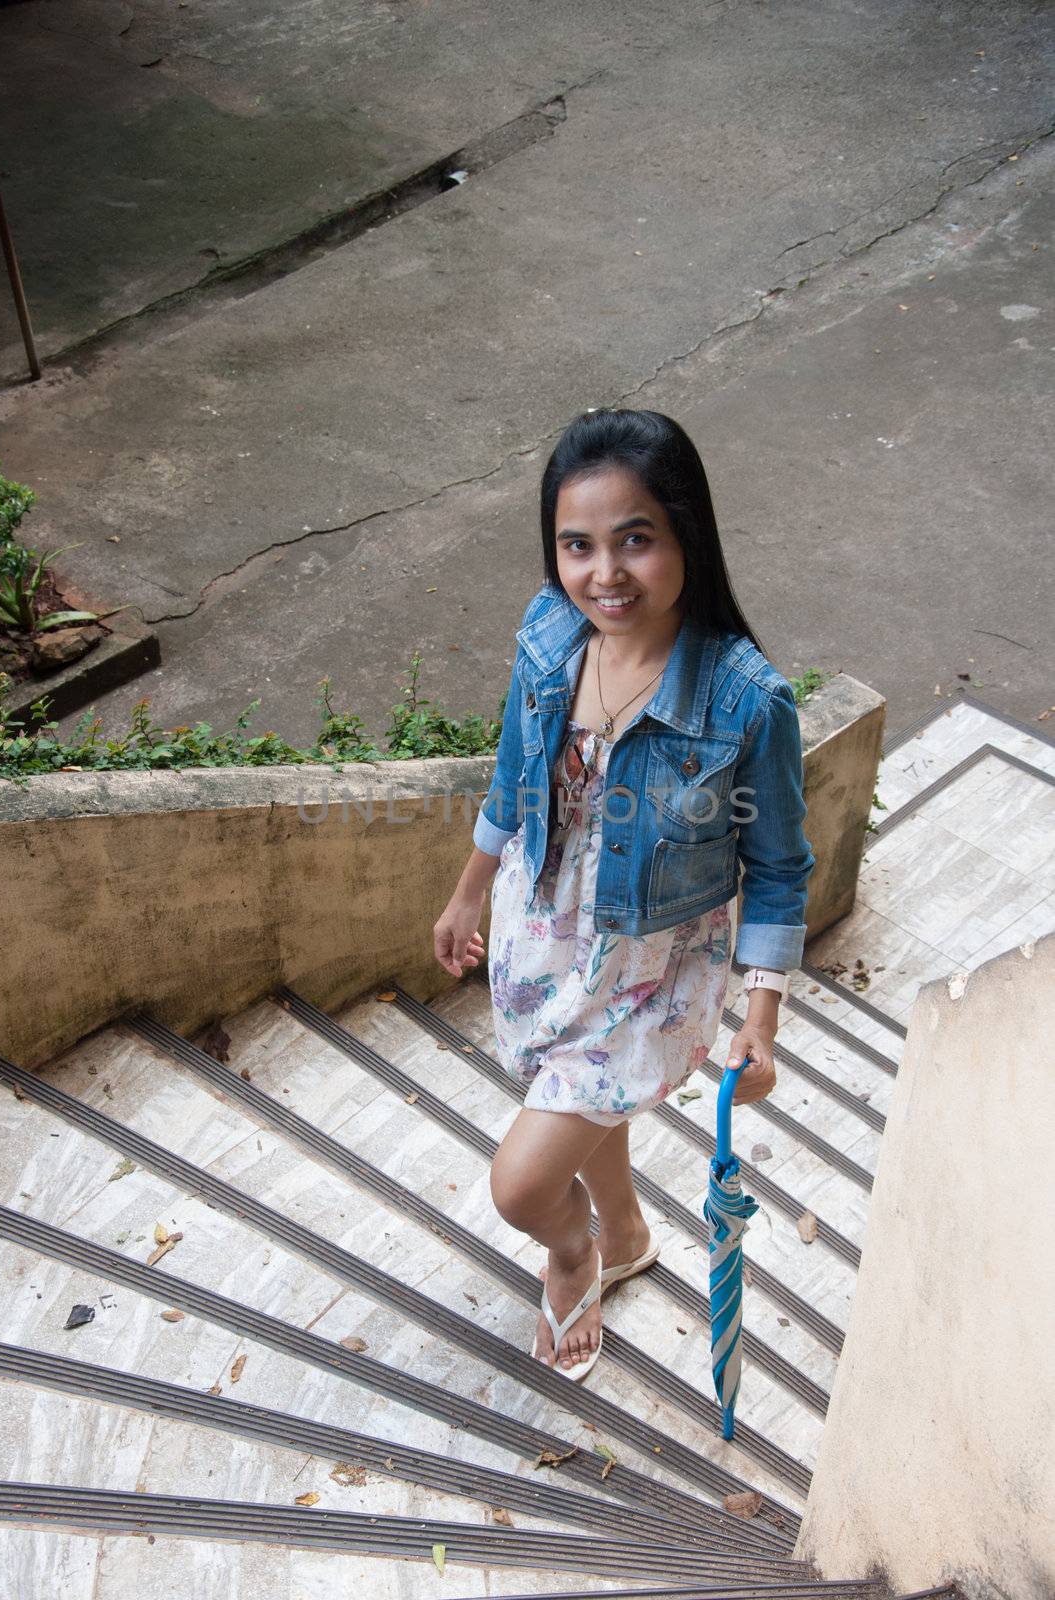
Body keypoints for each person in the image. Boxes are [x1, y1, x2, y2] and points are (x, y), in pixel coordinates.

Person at [433, 407, 816, 1382]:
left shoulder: (743, 699)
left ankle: (572, 1250)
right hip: (544, 924)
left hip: (650, 964)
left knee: (522, 1183)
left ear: (686, 532)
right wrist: (468, 890)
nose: (603, 574)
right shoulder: (550, 631)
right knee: (584, 1107)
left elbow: (776, 864)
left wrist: (760, 1019)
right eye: (577, 544)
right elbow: (517, 773)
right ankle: (628, 1226)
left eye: (635, 539)